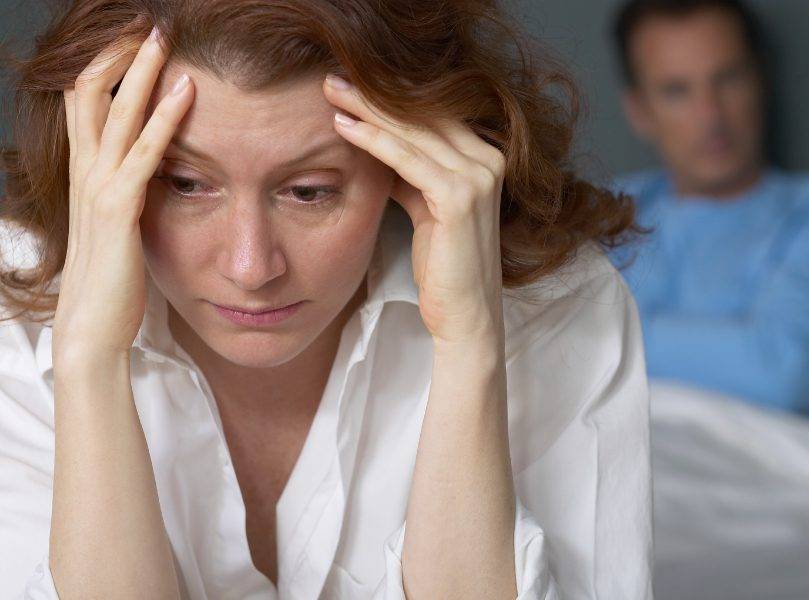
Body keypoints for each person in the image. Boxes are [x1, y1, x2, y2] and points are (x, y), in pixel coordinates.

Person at [0, 2, 653, 598]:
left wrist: (469, 343)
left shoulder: (564, 309)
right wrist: (88, 357)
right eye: (187, 184)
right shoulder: (12, 322)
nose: (251, 267)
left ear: (408, 161)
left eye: (309, 191)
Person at [609, 0, 809, 422]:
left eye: (728, 79)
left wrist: (610, 335)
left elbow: (782, 371)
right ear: (639, 111)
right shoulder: (606, 213)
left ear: (761, 80)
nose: (710, 115)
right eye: (676, 91)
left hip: (751, 464)